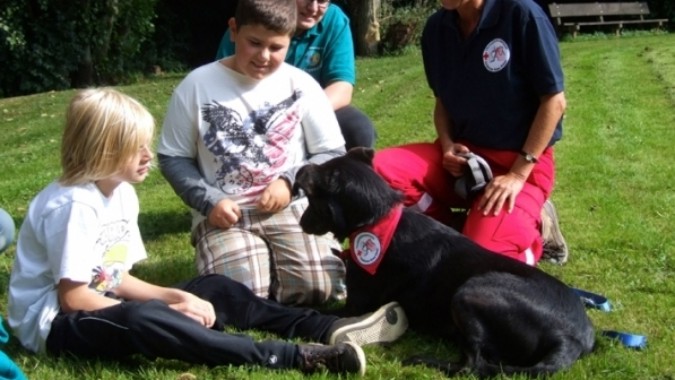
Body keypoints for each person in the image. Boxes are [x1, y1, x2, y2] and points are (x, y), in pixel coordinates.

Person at [7, 87, 408, 376]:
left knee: (214, 288)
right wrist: (166, 308)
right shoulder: (73, 205)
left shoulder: (122, 193)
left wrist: (174, 294)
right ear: (102, 150)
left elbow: (116, 276)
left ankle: (326, 327)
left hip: (97, 298)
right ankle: (291, 357)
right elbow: (74, 297)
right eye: (137, 147)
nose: (149, 155)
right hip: (54, 324)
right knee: (148, 320)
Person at [159, 0, 349, 306]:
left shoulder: (302, 85)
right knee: (236, 297)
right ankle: (255, 273)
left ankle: (281, 269)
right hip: (224, 214)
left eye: (276, 48)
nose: (263, 56)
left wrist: (290, 182)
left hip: (289, 207)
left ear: (290, 40)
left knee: (321, 289)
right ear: (234, 30)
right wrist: (208, 201)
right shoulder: (196, 85)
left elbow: (331, 151)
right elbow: (173, 157)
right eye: (255, 43)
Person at [372, 0, 567, 266]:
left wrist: (518, 174)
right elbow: (442, 101)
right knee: (380, 172)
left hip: (521, 165)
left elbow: (554, 102)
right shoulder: (436, 28)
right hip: (463, 162)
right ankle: (455, 231)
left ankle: (538, 231)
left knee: (485, 262)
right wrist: (447, 145)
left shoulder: (522, 14)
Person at [215, 0, 376, 150]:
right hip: (250, 110)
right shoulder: (256, 14)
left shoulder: (335, 20)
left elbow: (342, 87)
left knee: (359, 129)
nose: (313, 8)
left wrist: (297, 115)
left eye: (321, 1)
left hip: (310, 107)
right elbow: (221, 82)